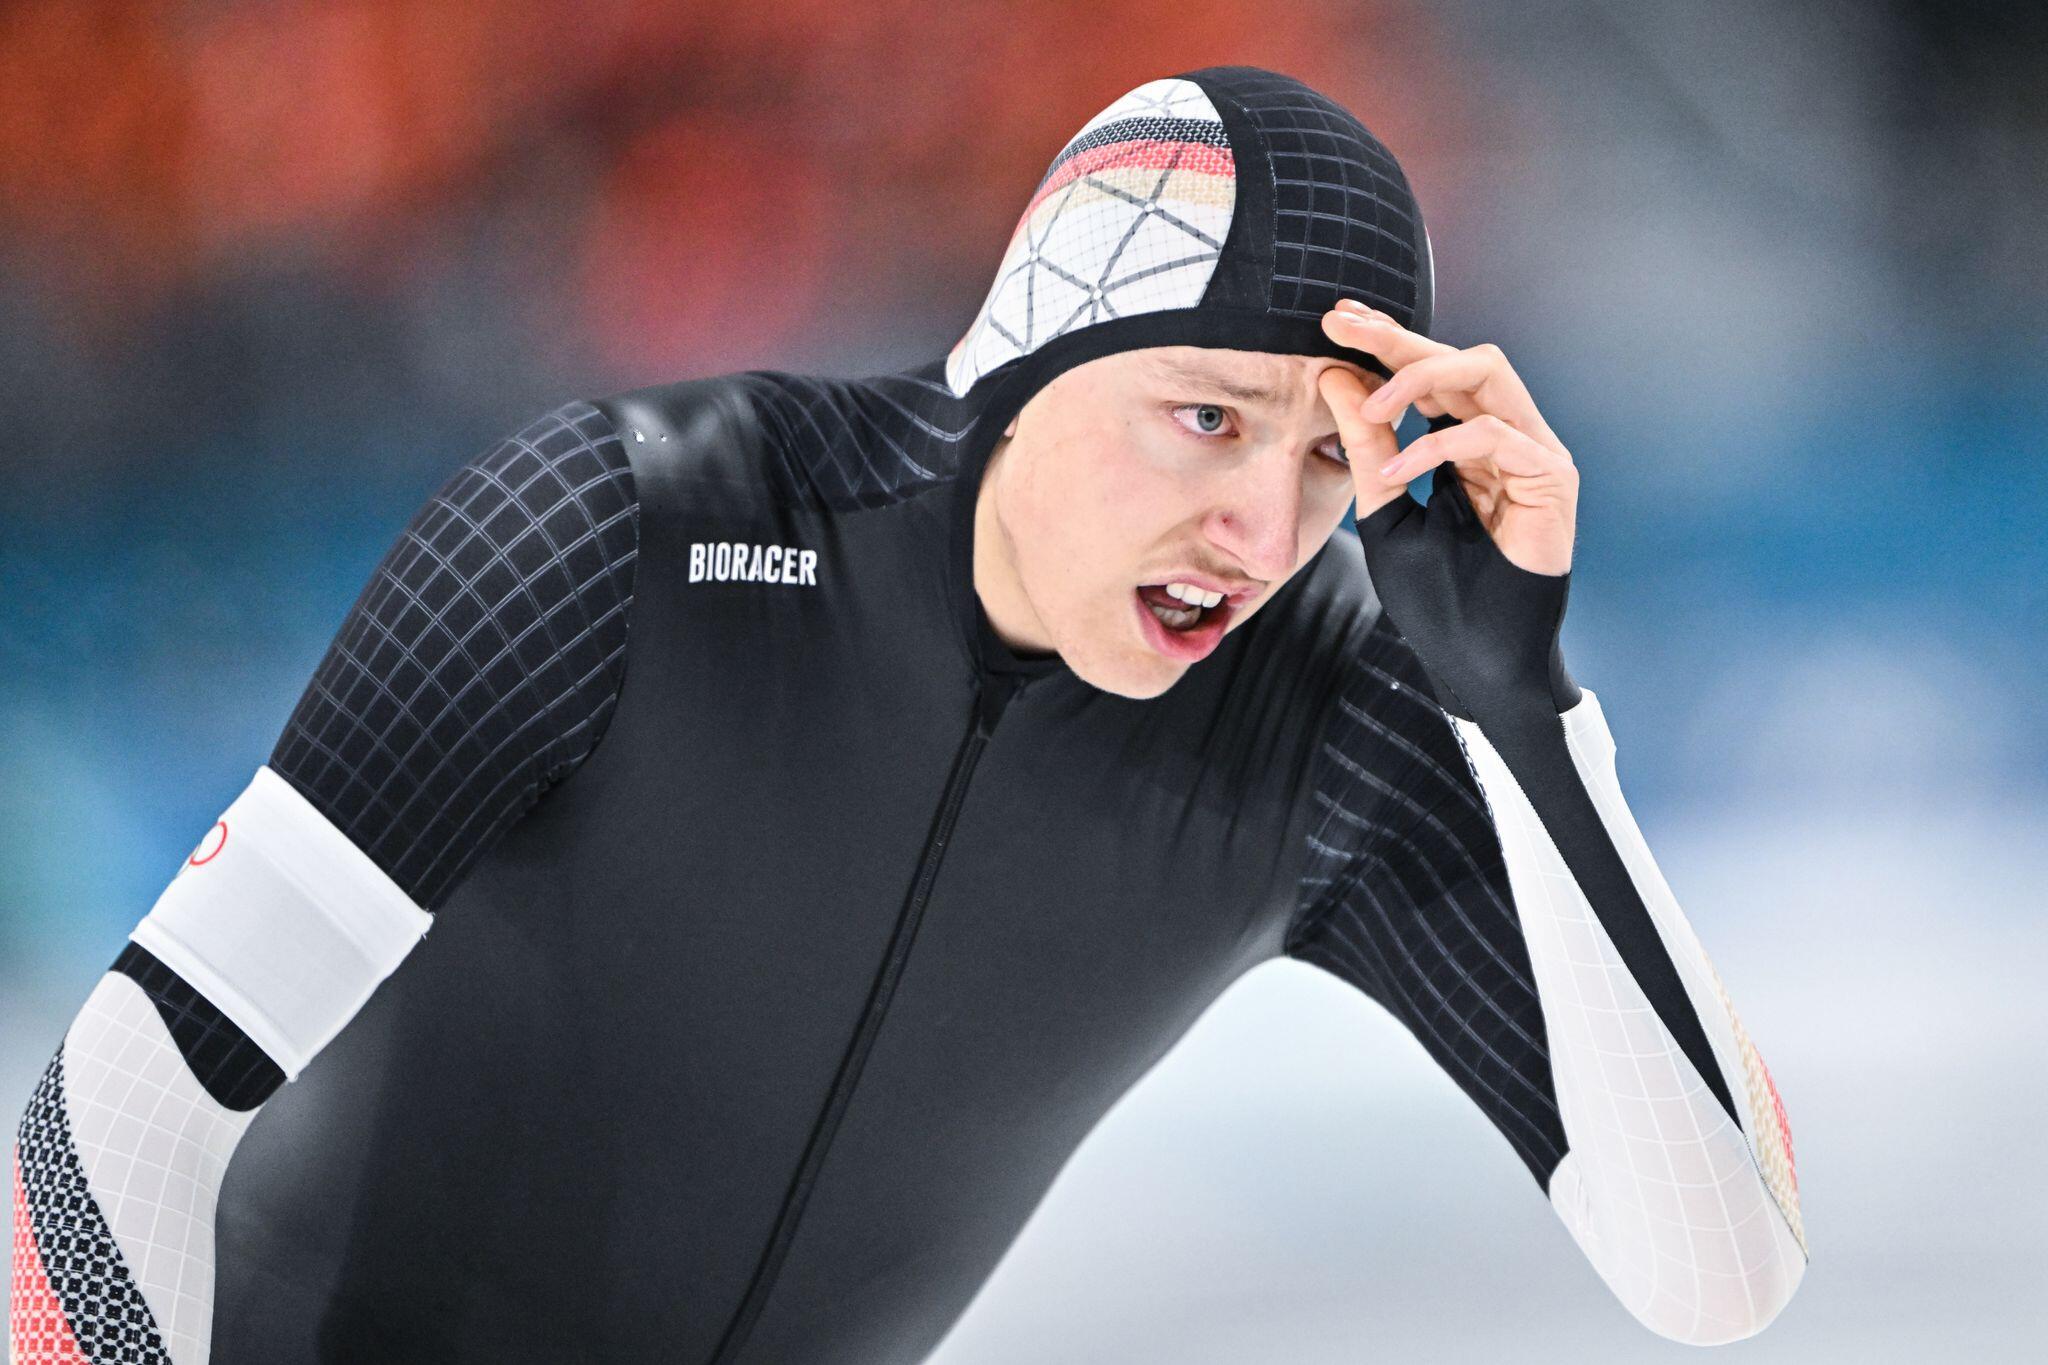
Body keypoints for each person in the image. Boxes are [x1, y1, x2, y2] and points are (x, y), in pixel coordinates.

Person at [9, 65, 1807, 1364]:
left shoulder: (1324, 721)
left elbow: (1720, 1269)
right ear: (1036, 358)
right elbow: (111, 1118)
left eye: (1330, 456)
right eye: (1207, 418)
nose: (1264, 531)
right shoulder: (624, 531)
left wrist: (1520, 706)